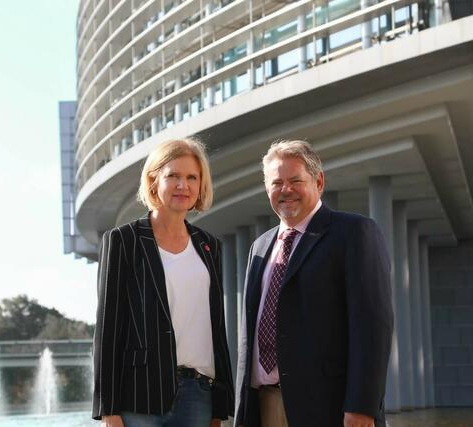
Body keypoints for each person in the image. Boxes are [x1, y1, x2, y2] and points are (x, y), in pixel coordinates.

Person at [234, 140, 393, 427]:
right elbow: (250, 333)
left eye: (296, 180)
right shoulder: (260, 246)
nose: (286, 190)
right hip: (265, 404)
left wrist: (362, 406)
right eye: (277, 182)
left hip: (329, 406)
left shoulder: (353, 233)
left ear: (318, 181)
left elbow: (372, 326)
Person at [93, 138, 234, 427]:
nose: (183, 185)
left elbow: (216, 329)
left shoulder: (209, 246)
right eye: (173, 176)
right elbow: (109, 328)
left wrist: (220, 406)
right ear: (154, 180)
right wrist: (108, 409)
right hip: (138, 397)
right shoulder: (123, 241)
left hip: (198, 394)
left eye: (192, 177)